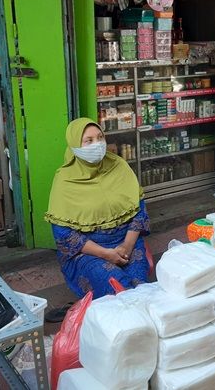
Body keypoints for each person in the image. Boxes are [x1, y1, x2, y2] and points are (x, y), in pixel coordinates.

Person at [45, 118, 150, 299]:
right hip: (89, 252)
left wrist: (126, 245)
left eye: (100, 138)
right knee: (120, 288)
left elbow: (139, 211)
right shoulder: (65, 179)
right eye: (89, 141)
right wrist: (106, 254)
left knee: (142, 288)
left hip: (127, 242)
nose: (97, 144)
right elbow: (63, 233)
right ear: (75, 145)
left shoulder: (119, 166)